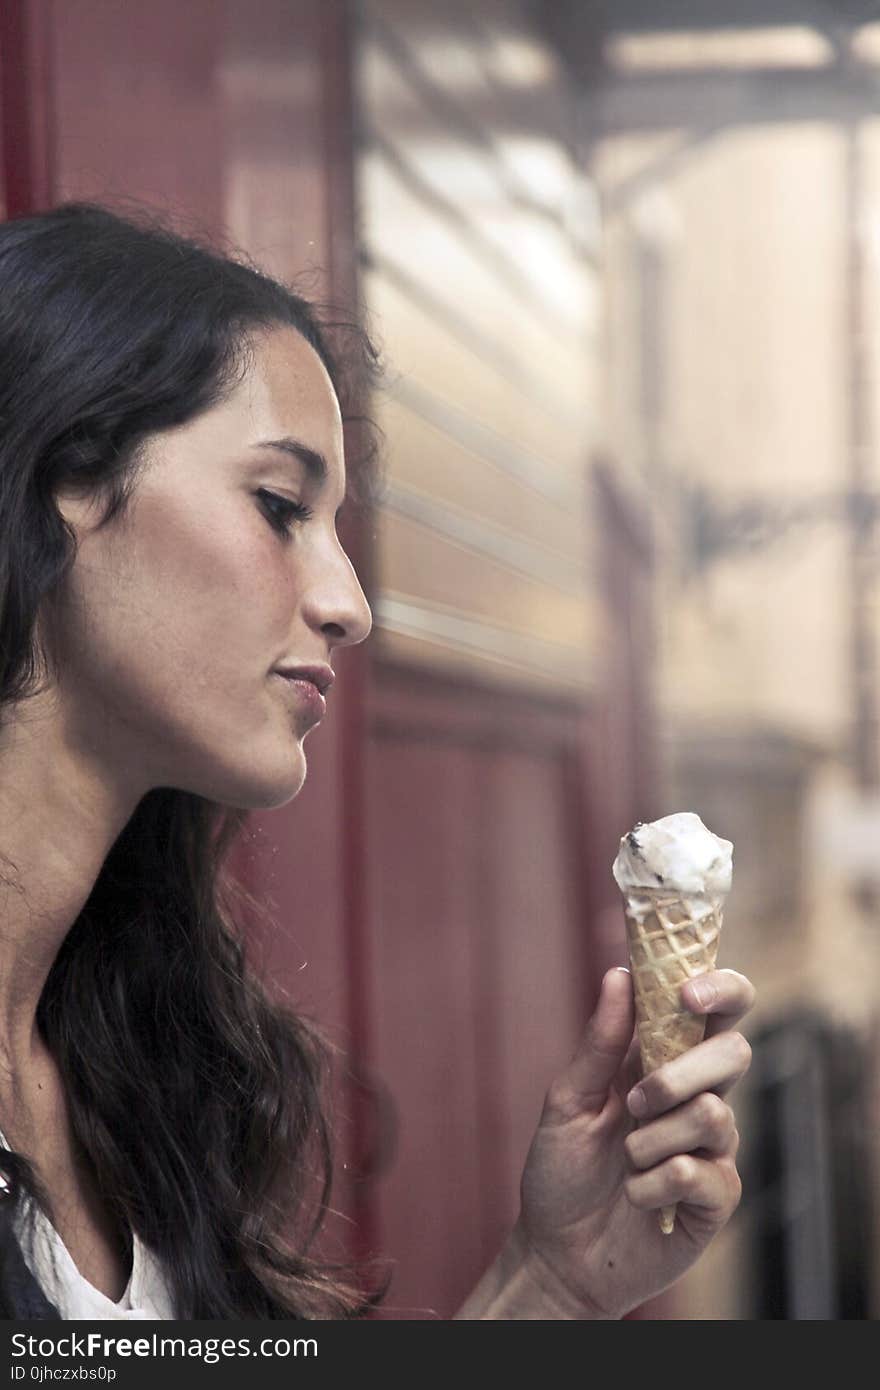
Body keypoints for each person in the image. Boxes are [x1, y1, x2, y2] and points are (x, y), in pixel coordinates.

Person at [0, 201, 754, 1321]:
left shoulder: (123, 1055)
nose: (348, 605)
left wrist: (548, 1282)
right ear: (69, 470)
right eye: (277, 505)